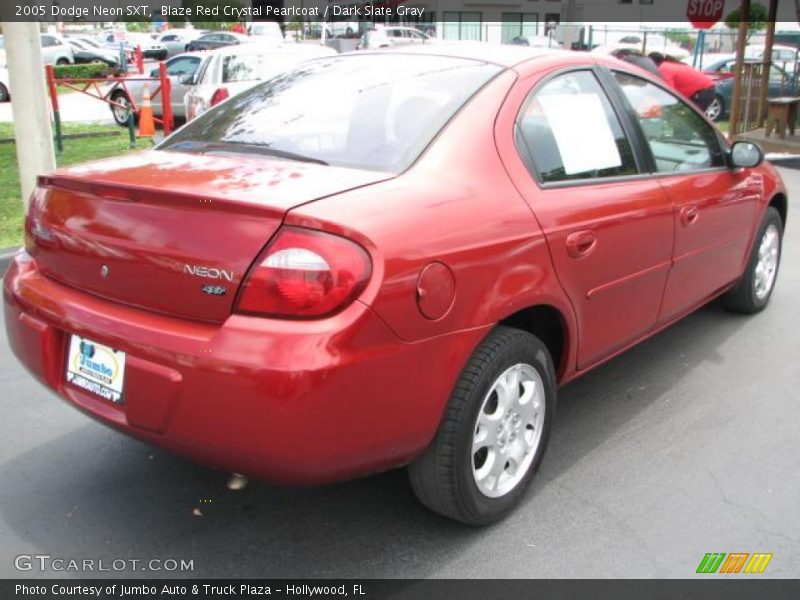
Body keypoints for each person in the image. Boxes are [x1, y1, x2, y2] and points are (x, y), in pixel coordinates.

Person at [648, 52, 717, 111]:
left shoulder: (664, 68)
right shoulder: (671, 64)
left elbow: (668, 92)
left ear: (652, 62)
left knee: (691, 119)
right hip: (704, 91)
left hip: (703, 92)